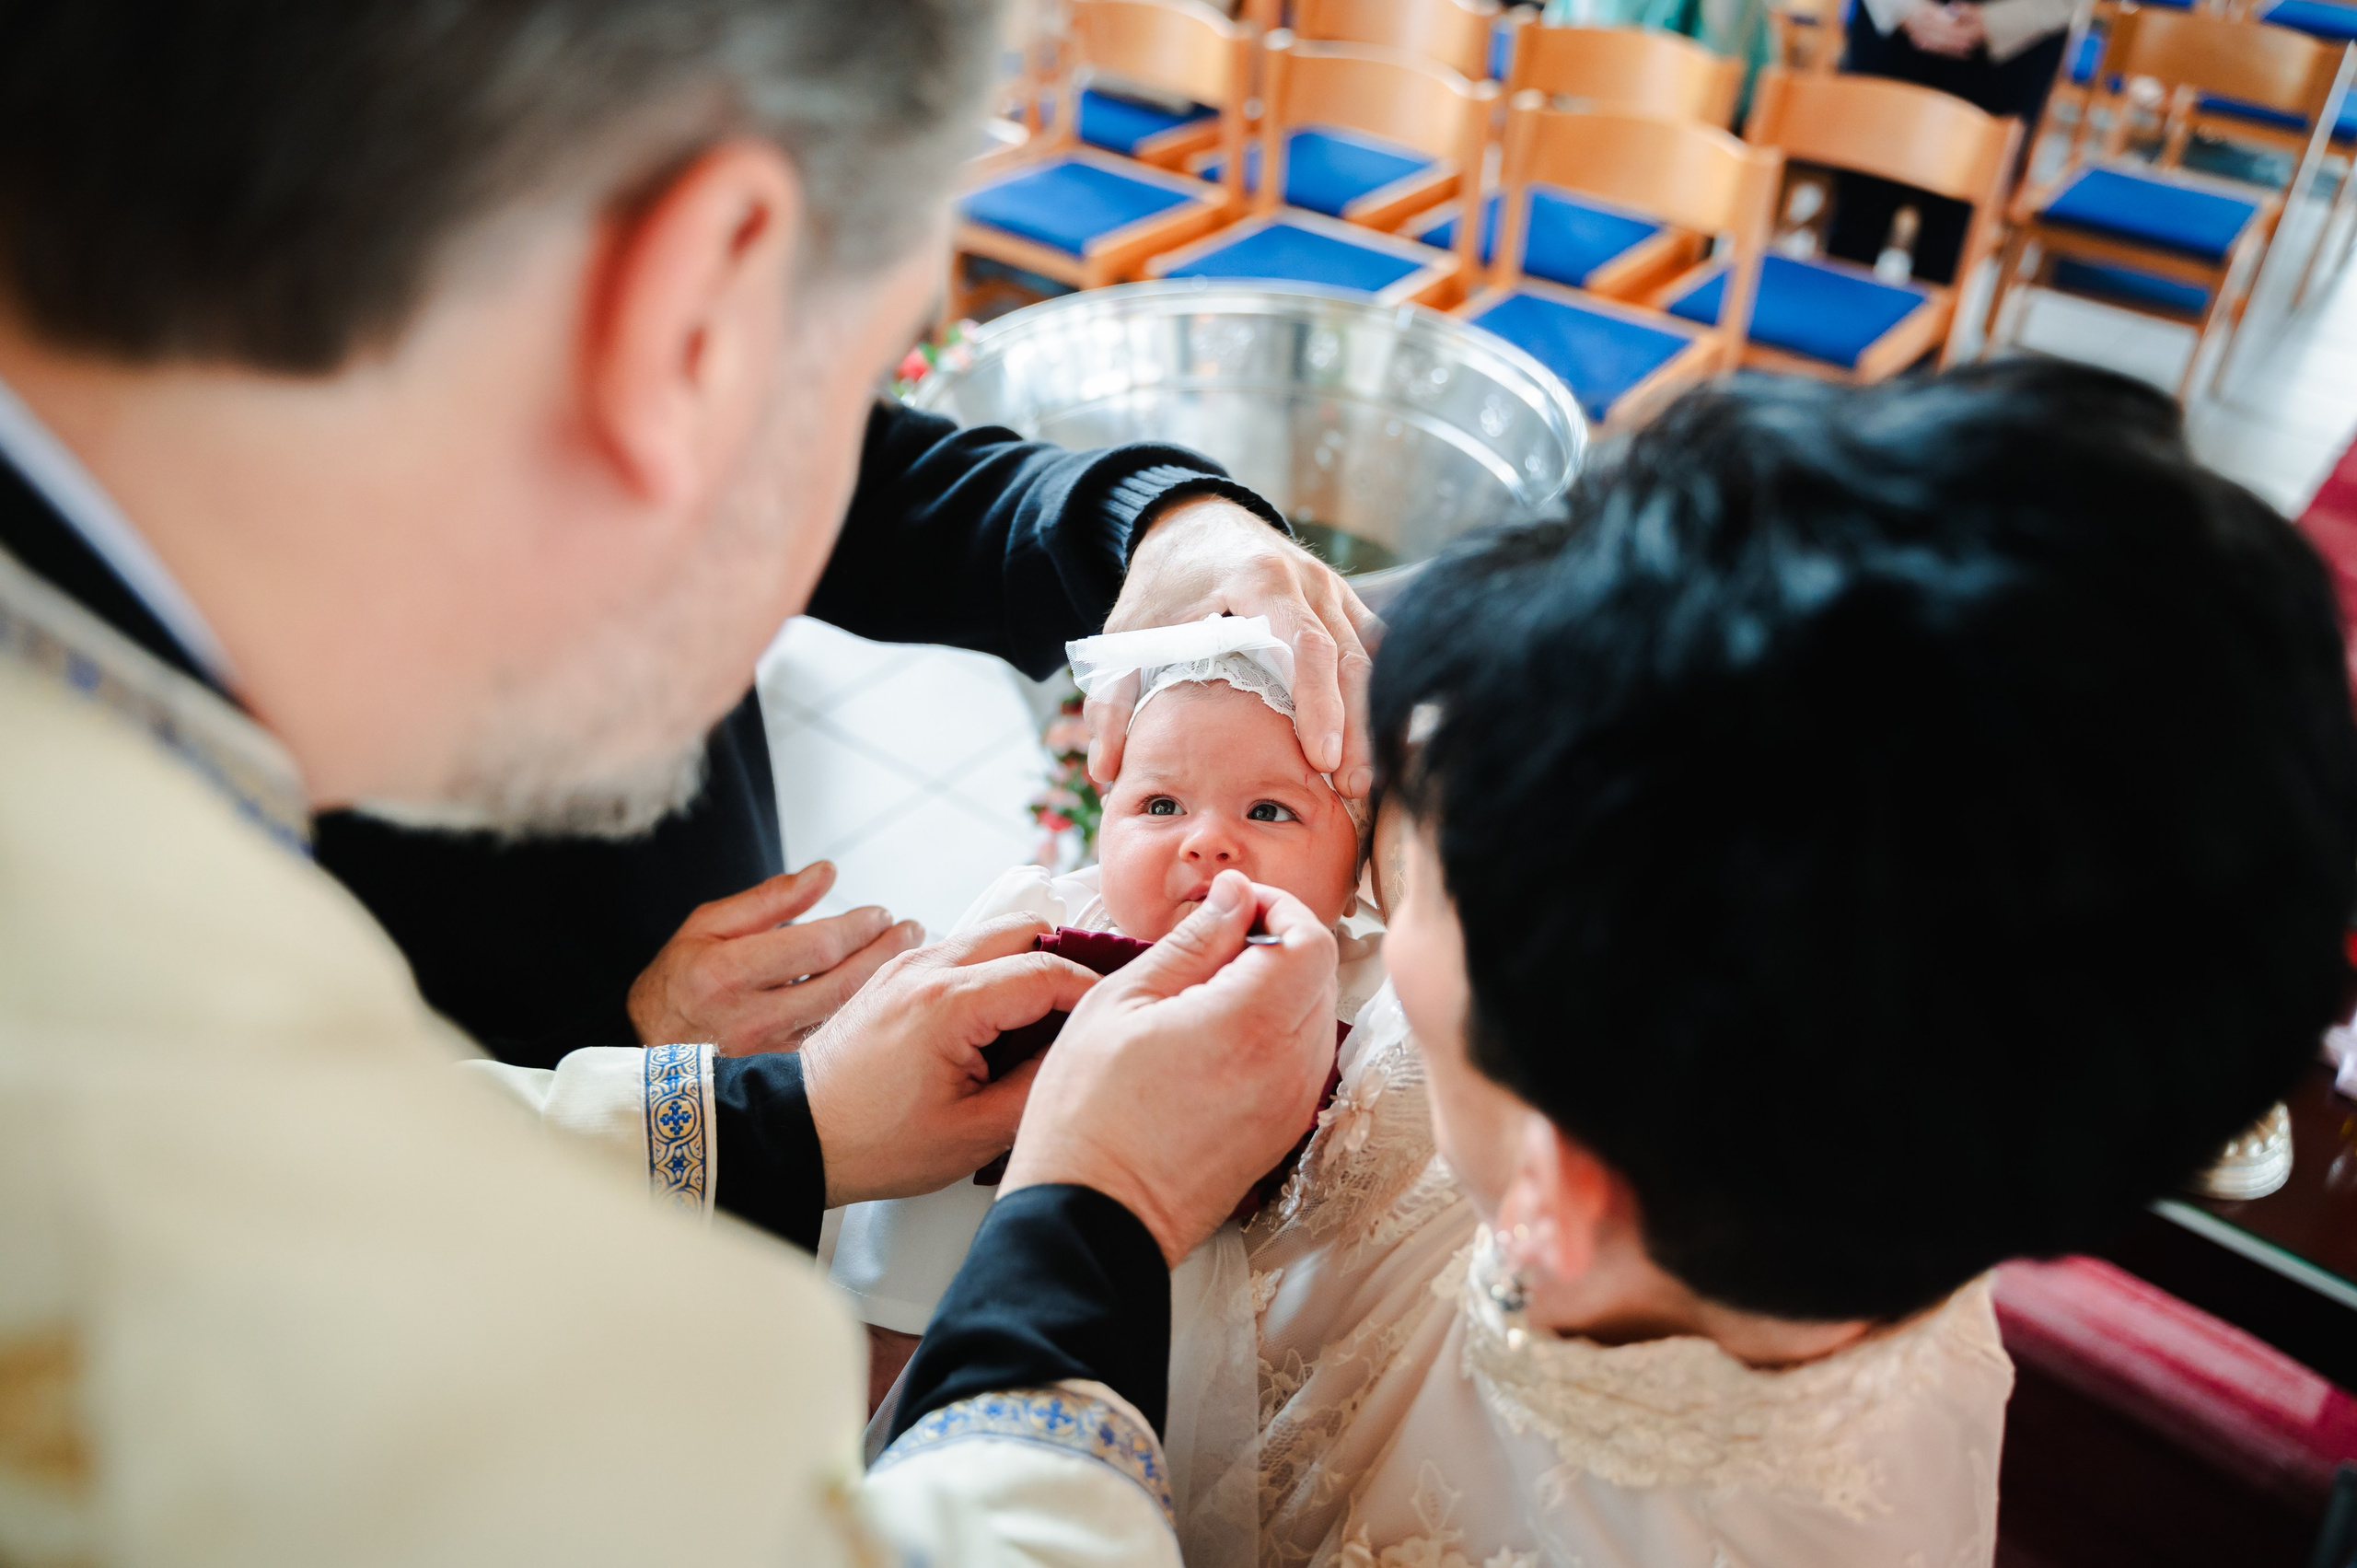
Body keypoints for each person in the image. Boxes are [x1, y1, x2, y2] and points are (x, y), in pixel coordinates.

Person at [0, 1, 1355, 1561]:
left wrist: (781, 1122)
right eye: (845, 381)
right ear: (698, 308)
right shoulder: (540, 1359)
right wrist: (1093, 1196)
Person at [1183, 362, 2357, 1568]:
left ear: (1566, 1186)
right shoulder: (1876, 1089)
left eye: (1432, 819)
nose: (1393, 788)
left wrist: (1091, 1191)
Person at [831, 617, 1385, 1425]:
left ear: (1355, 872)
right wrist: (886, 1328)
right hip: (973, 1257)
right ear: (1105, 816)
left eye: (1268, 811)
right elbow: (922, 1162)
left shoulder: (1362, 987)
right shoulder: (1039, 926)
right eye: (1161, 803)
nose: (1206, 842)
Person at [1828, 0, 2071, 285]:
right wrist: (1905, 9)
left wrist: (1992, 23)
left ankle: (1933, 322)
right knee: (1858, 207)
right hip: (1893, 36)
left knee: (1953, 231)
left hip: (2010, 49)